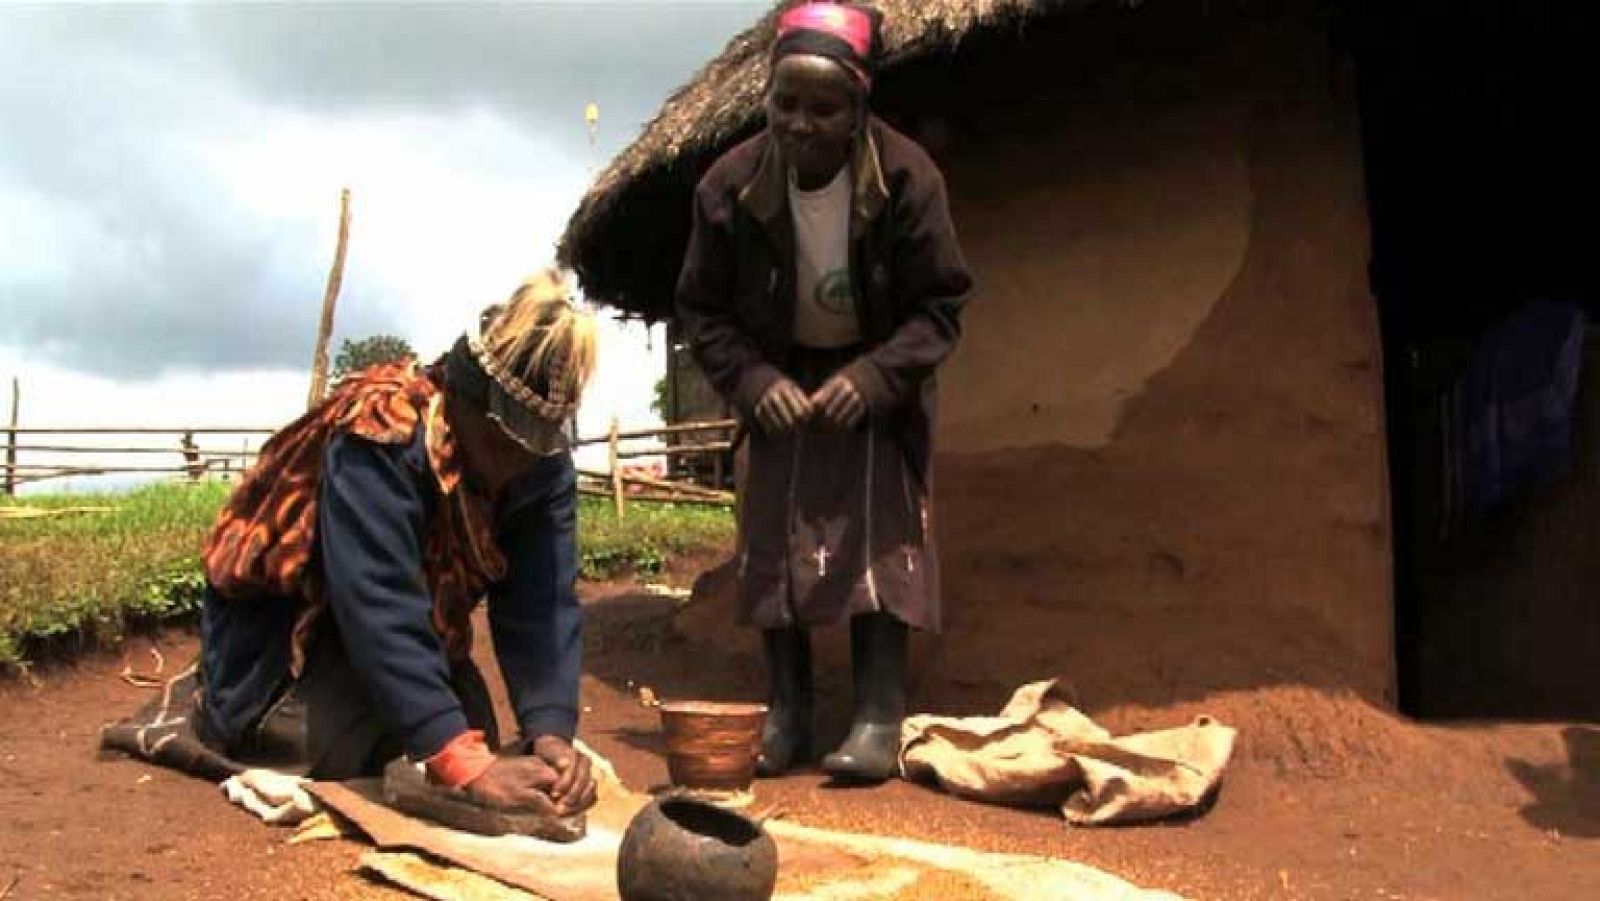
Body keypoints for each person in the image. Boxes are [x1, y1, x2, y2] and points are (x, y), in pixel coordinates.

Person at [676, 1, 974, 783]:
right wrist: (753, 381)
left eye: (822, 108)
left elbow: (940, 306)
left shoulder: (907, 179)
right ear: (765, 98)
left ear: (858, 108)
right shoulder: (728, 188)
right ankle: (788, 712)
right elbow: (702, 310)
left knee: (881, 531)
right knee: (773, 532)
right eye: (785, 103)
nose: (799, 124)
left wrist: (875, 377)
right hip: (779, 369)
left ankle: (878, 714)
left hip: (876, 371)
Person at [196, 270, 598, 816]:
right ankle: (249, 710)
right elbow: (376, 598)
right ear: (464, 400)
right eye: (505, 442)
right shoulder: (381, 431)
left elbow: (542, 602)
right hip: (292, 643)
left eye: (534, 444)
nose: (518, 461)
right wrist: (459, 760)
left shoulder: (540, 465)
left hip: (412, 637)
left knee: (472, 731)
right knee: (350, 751)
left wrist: (551, 731)